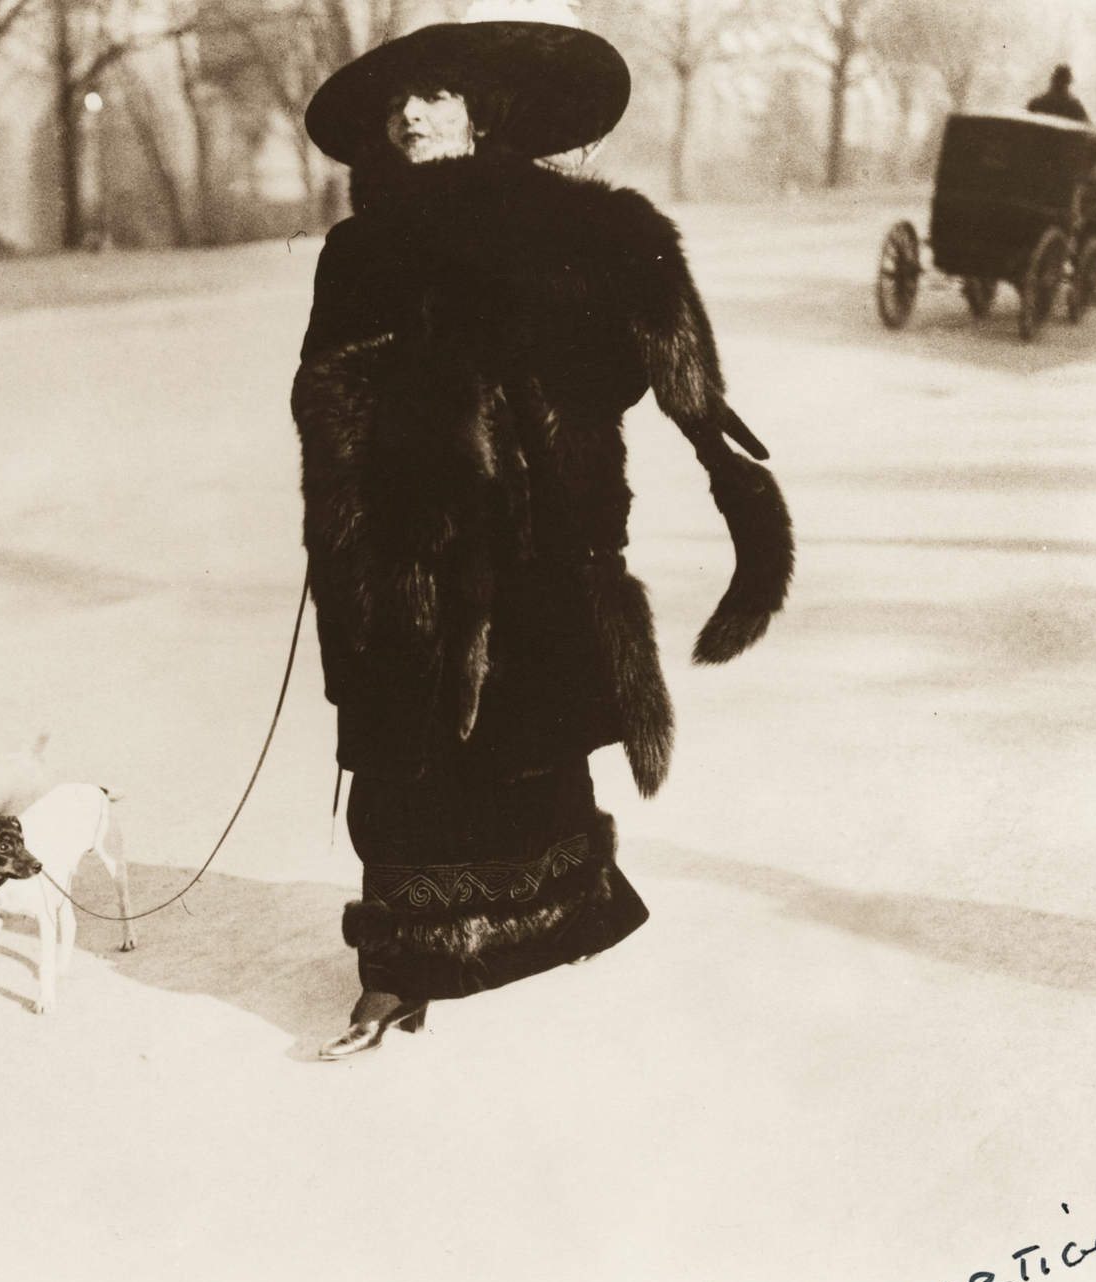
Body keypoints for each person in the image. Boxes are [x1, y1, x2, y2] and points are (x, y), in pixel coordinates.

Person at [294, 3, 794, 1059]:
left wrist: (737, 489)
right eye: (396, 102)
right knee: (406, 763)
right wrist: (345, 552)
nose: (409, 115)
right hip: (403, 558)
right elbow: (329, 418)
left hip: (541, 551)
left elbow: (667, 358)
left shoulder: (584, 227)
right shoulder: (360, 250)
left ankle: (548, 919)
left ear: (487, 108)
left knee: (529, 745)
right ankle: (399, 969)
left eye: (432, 93)